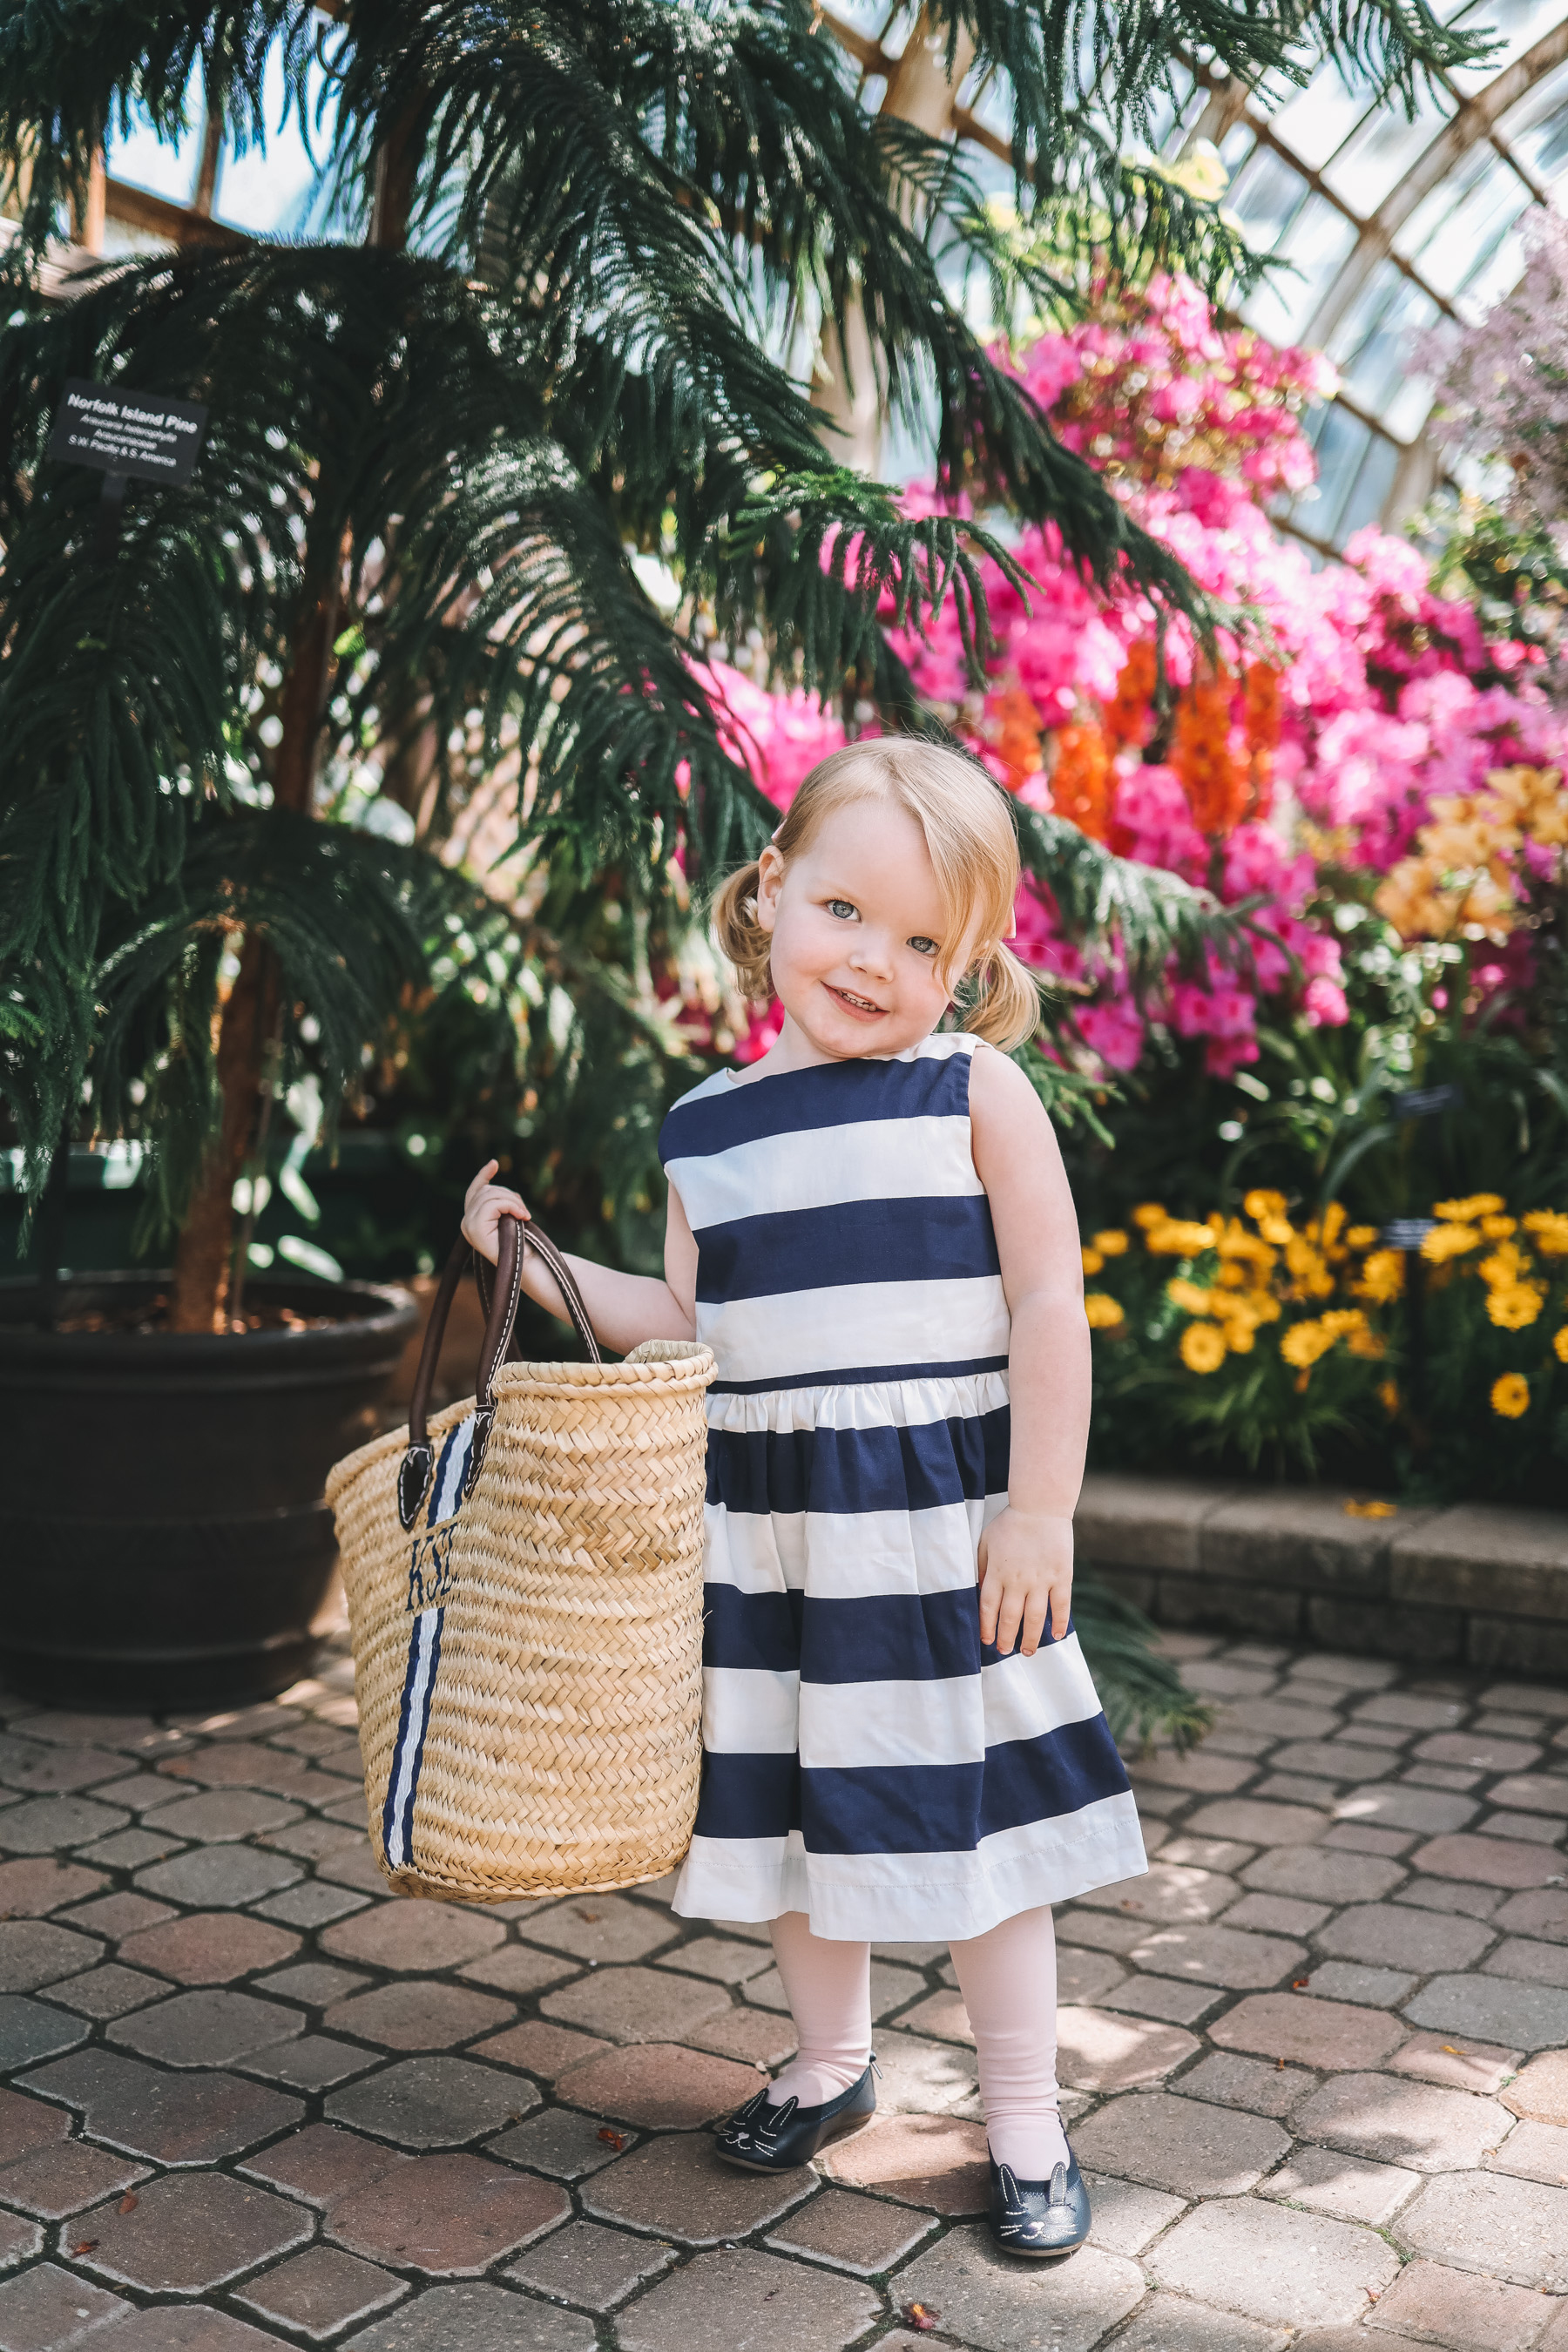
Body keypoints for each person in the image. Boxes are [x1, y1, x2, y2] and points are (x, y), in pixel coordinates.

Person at [463, 739, 1146, 2259]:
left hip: (940, 1534)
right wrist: (534, 1259)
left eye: (925, 946)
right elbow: (701, 1326)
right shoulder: (709, 1127)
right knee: (789, 1825)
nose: (876, 962)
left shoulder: (973, 1089)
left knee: (983, 1841)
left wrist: (1042, 1511)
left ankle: (1023, 2114)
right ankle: (832, 2066)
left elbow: (1049, 1303)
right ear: (771, 890)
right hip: (776, 1541)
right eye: (847, 912)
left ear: (965, 972)